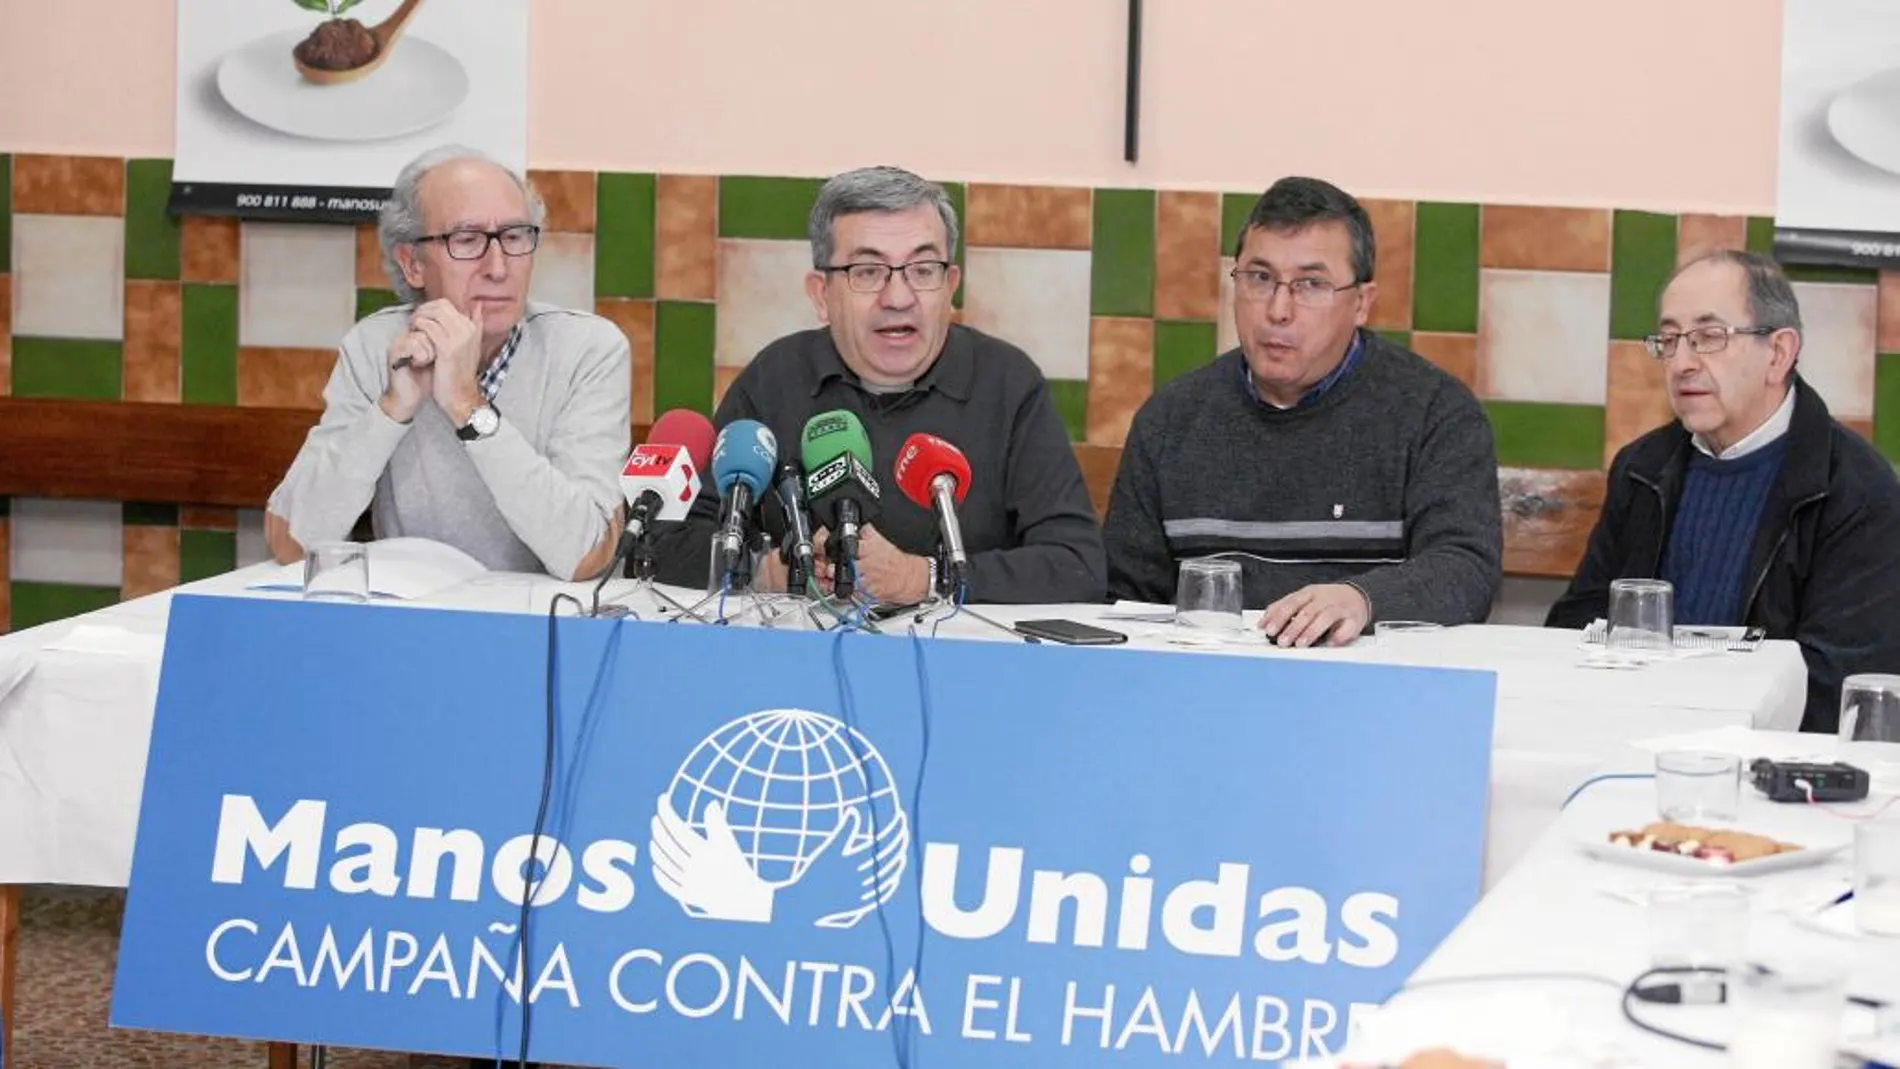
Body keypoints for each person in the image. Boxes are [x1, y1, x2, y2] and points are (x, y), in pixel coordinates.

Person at [651, 165, 1106, 604]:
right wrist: (769, 571)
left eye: (922, 270)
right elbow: (670, 543)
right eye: (868, 272)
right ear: (821, 295)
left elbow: (1076, 565)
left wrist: (921, 578)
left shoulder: (1008, 384)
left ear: (950, 286)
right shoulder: (775, 379)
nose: (899, 297)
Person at [1102, 176, 1501, 646]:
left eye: (1311, 284)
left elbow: (1466, 569)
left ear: (1362, 304)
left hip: (1372, 689)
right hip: (1210, 685)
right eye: (1259, 278)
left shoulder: (1434, 412)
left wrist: (1361, 600)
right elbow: (1124, 598)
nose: (1278, 309)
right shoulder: (1171, 420)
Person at [1546, 249, 1900, 733]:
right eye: (1669, 340)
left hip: (1770, 762)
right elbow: (1576, 625)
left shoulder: (1855, 490)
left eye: (1708, 337)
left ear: (1778, 353)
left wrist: (1688, 711)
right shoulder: (1644, 468)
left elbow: (1836, 685)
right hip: (1626, 731)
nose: (1682, 363)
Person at [265, 146, 630, 581]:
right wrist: (391, 409)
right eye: (467, 240)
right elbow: (293, 540)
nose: (498, 267)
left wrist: (468, 407)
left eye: (514, 237)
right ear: (413, 264)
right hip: (411, 622)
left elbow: (585, 555)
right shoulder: (376, 347)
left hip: (540, 626)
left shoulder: (587, 350)